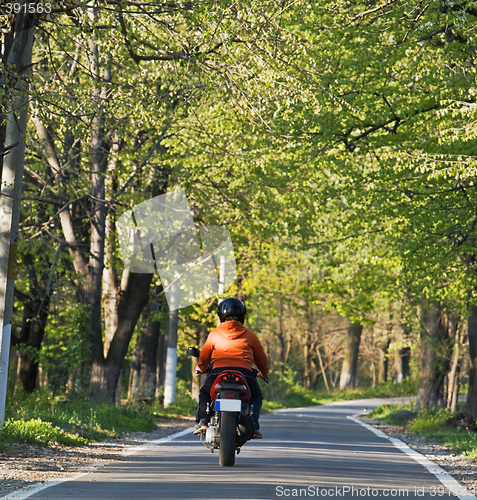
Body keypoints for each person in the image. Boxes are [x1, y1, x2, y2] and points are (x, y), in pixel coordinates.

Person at [193, 297, 269, 439]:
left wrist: (202, 368)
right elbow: (262, 360)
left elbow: (204, 357)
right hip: (244, 374)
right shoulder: (250, 335)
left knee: (205, 393)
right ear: (242, 314)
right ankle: (253, 425)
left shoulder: (214, 334)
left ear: (221, 314)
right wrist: (264, 374)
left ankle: (203, 421)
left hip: (217, 373)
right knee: (256, 397)